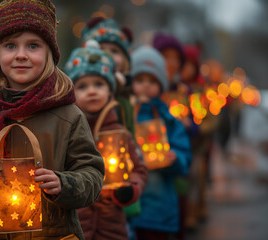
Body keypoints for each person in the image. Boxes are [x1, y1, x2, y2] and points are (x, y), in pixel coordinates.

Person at [0, 1, 105, 239]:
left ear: (49, 52)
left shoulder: (69, 116)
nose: (21, 55)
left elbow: (91, 173)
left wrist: (65, 184)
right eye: (10, 45)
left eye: (33, 46)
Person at [65, 42, 148, 240]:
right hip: (76, 225)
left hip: (112, 226)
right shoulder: (68, 133)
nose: (92, 91)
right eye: (83, 86)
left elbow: (139, 169)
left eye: (99, 84)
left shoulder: (120, 133)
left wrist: (131, 189)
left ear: (110, 91)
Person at [128, 46, 192, 240]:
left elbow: (184, 154)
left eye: (152, 81)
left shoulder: (168, 119)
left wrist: (175, 159)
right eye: (140, 80)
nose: (146, 86)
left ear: (161, 84)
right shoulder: (125, 115)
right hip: (130, 203)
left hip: (160, 203)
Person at [82, 17, 135, 136]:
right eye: (101, 49)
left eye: (114, 51)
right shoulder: (81, 92)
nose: (107, 55)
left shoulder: (127, 97)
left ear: (125, 59)